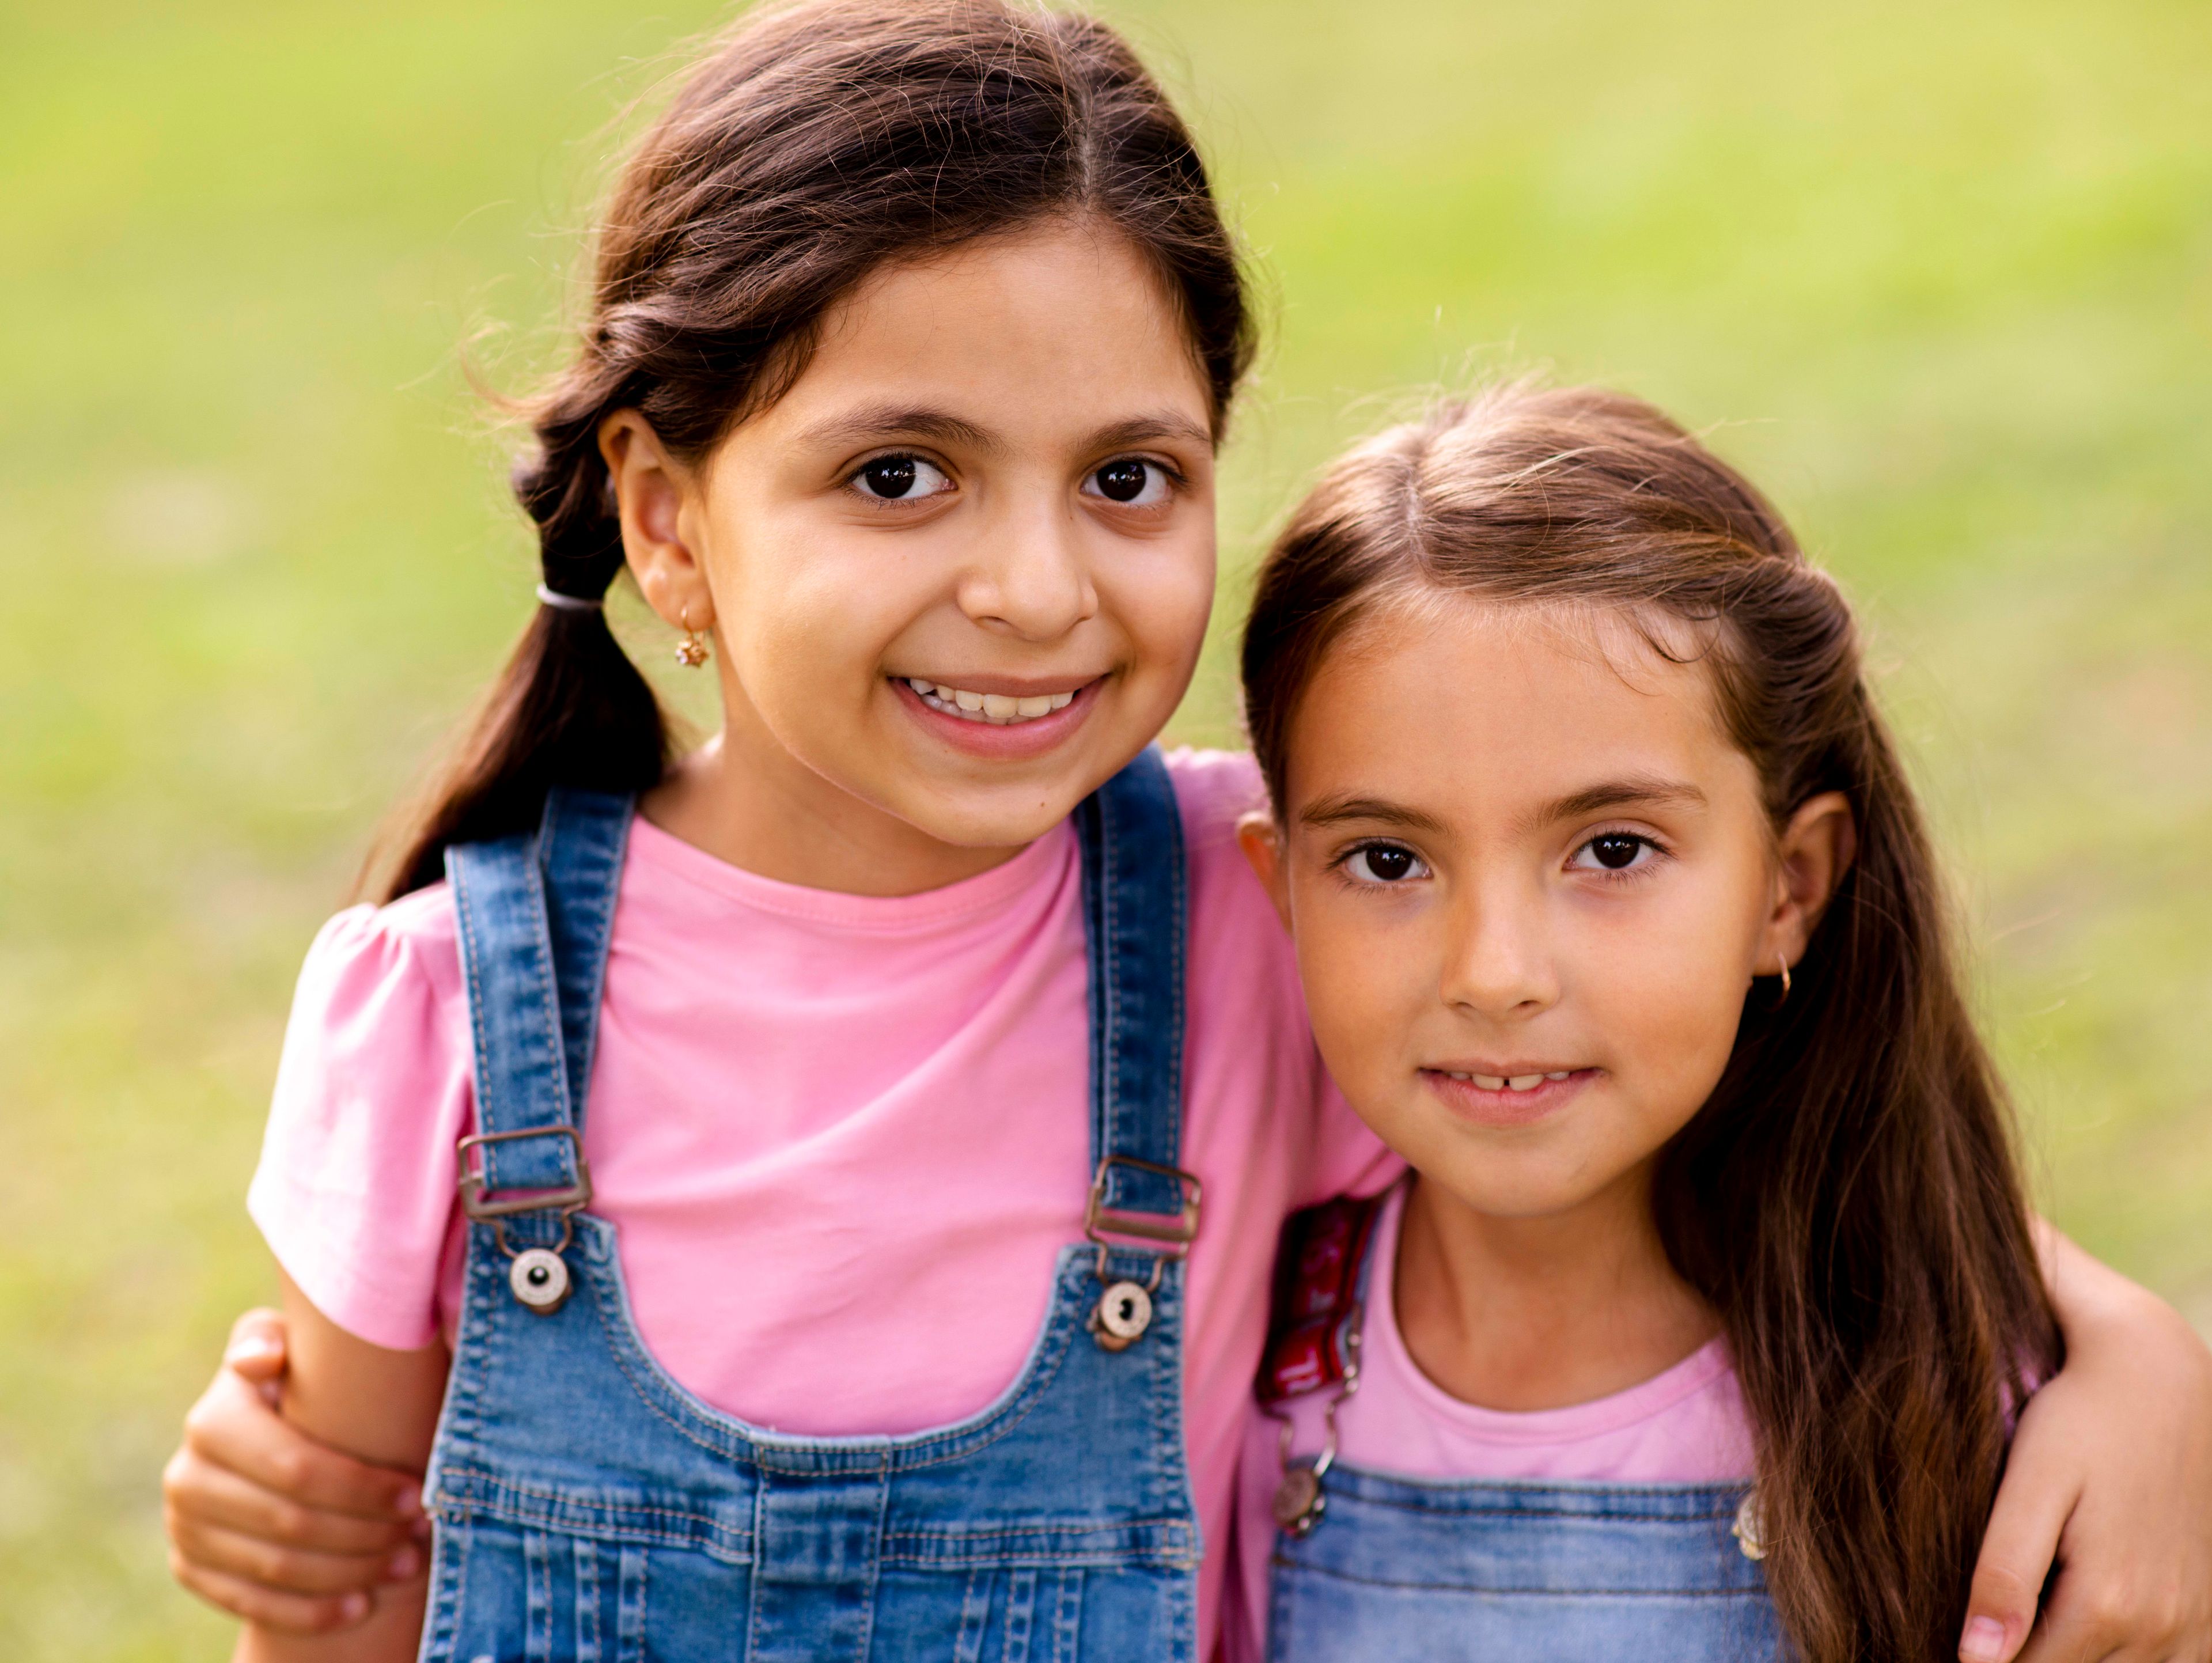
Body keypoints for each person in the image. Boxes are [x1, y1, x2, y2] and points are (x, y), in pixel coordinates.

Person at [160, 3, 2212, 1658]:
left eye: (1129, 477)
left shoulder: (1265, 904)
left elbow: (1743, 1104)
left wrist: (2134, 1355)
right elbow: (333, 1585)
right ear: (668, 511)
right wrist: (271, 1493)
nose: (1042, 587)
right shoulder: (440, 1008)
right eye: (900, 474)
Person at [1226, 382, 2212, 1662]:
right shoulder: (1223, 1343)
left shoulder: (1994, 1428)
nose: (1496, 972)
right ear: (1280, 892)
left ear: (1788, 888)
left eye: (1614, 847)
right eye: (1387, 861)